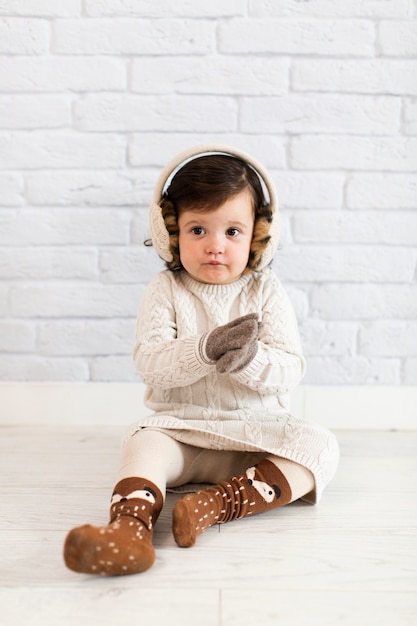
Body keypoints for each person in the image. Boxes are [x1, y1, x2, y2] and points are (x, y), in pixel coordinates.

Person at [64, 144, 339, 576]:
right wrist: (205, 348)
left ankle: (213, 506)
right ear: (170, 232)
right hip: (182, 432)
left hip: (254, 436)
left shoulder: (265, 289)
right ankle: (129, 530)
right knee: (142, 442)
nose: (215, 246)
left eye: (232, 231)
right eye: (197, 230)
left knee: (320, 446)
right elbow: (150, 363)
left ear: (258, 235)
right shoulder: (165, 289)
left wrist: (247, 359)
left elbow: (290, 369)